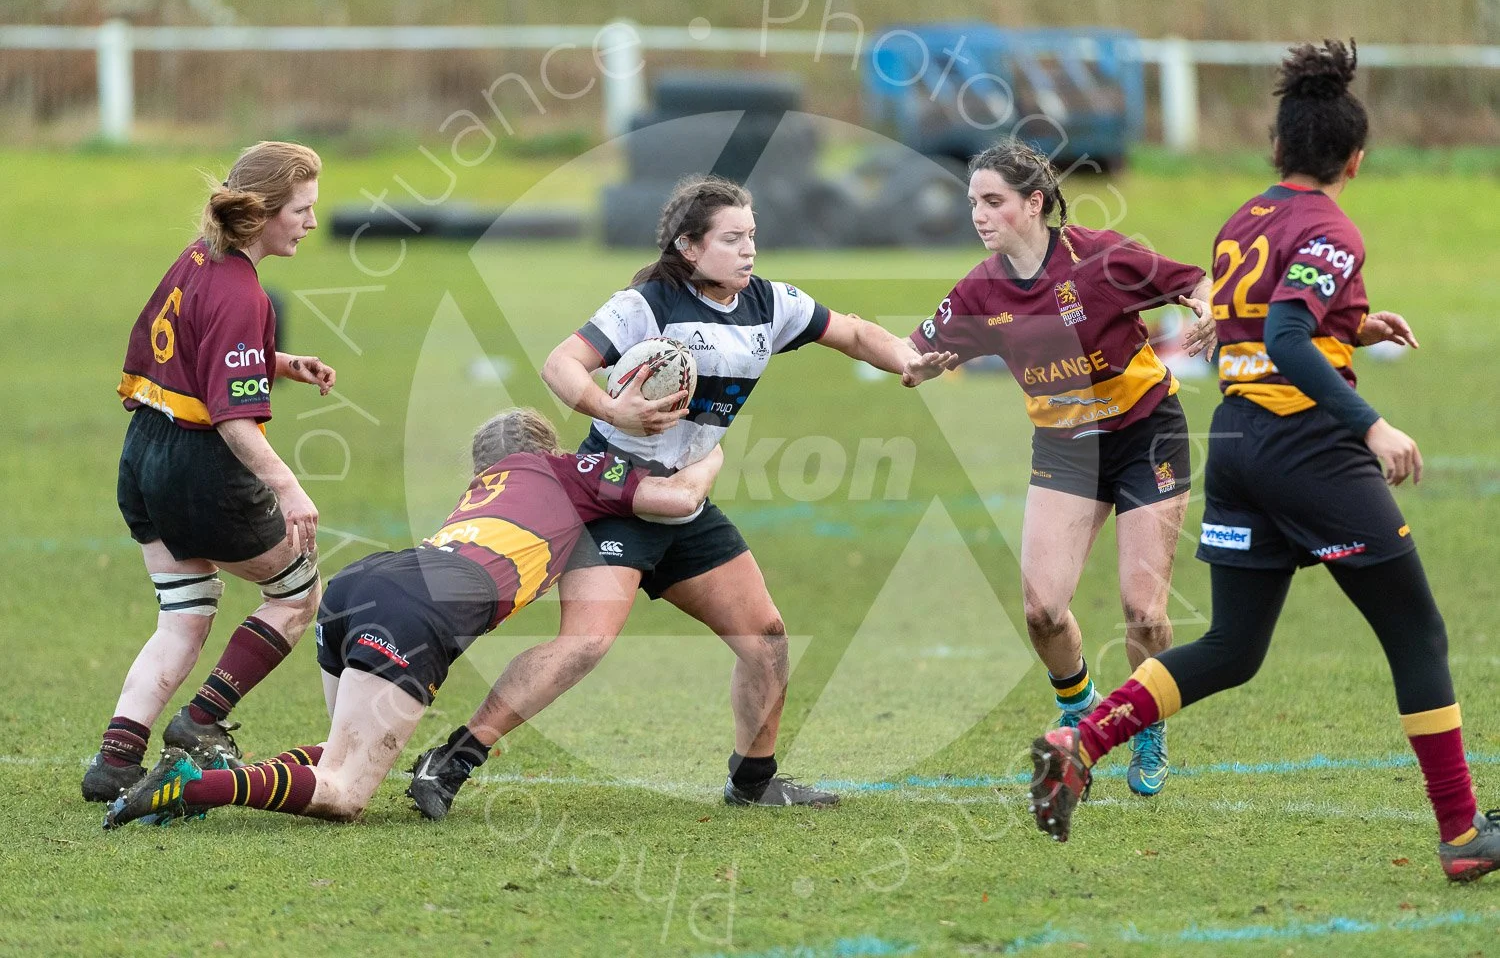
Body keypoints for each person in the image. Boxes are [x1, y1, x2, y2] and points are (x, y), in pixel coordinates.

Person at [1026, 40, 1500, 882]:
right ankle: (1464, 834)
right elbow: (1284, 332)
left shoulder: (1244, 220)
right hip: (1307, 448)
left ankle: (1082, 739)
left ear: (1276, 150)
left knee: (1237, 645)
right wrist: (1371, 424)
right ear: (1356, 159)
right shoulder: (1332, 227)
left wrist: (1353, 323)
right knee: (1417, 634)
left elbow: (1261, 326)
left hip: (1238, 444)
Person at [404, 174, 933, 817]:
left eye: (752, 237)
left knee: (765, 636)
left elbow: (850, 332)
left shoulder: (770, 304)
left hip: (685, 498)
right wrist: (613, 411)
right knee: (587, 643)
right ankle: (451, 760)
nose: (748, 251)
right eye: (732, 239)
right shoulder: (647, 305)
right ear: (689, 246)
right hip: (612, 494)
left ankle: (754, 780)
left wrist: (907, 357)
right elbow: (560, 364)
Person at [103, 408, 725, 828]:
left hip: (361, 585)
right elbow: (679, 501)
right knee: (344, 795)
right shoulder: (568, 469)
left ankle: (215, 772)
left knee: (342, 751)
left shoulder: (481, 491)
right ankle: (192, 785)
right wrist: (708, 449)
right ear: (548, 448)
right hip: (420, 608)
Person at [900, 138, 1213, 797]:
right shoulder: (980, 290)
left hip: (1144, 436)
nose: (979, 215)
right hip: (1066, 450)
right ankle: (1078, 708)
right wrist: (910, 362)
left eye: (994, 201)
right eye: (973, 203)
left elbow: (1194, 280)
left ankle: (1145, 722)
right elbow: (917, 351)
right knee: (1042, 610)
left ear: (1034, 203)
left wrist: (1208, 308)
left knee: (1144, 614)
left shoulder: (1103, 258)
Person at [83, 141, 334, 803]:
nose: (311, 222)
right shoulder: (244, 294)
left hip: (143, 457)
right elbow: (231, 421)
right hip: (201, 469)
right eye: (302, 210)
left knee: (183, 613)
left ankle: (115, 759)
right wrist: (290, 486)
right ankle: (201, 721)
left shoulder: (199, 257)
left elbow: (193, 348)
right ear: (263, 216)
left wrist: (278, 362)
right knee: (296, 592)